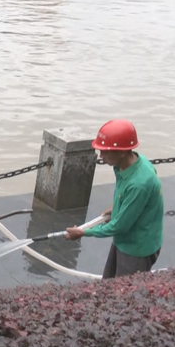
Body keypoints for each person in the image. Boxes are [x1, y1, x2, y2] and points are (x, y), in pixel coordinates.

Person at [65, 119, 164, 278]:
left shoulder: (139, 183)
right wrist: (120, 205)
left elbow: (118, 227)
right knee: (109, 284)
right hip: (124, 240)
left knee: (124, 294)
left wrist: (83, 232)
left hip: (137, 247)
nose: (101, 156)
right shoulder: (130, 163)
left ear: (122, 152)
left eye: (105, 151)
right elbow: (131, 195)